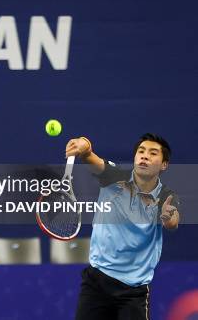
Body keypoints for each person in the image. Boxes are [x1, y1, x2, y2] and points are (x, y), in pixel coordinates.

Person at [66, 134, 179, 320]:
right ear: (135, 157)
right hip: (97, 282)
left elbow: (173, 221)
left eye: (153, 153)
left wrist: (168, 217)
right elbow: (89, 156)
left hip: (133, 291)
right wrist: (83, 145)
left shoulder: (166, 196)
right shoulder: (113, 176)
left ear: (164, 164)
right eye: (141, 151)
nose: (145, 156)